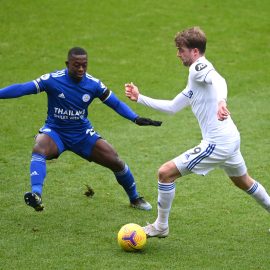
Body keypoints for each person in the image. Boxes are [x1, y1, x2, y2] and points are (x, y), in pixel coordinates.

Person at [125, 26, 270, 237]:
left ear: (194, 51)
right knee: (243, 181)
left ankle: (160, 226)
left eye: (181, 49)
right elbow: (173, 106)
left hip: (217, 143)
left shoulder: (199, 67)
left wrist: (222, 101)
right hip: (230, 138)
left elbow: (220, 80)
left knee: (165, 173)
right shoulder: (195, 79)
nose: (178, 54)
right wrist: (140, 98)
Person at [0, 47, 162, 212]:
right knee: (39, 147)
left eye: (84, 65)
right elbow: (22, 88)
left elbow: (116, 103)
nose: (81, 69)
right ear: (67, 64)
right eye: (76, 65)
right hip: (56, 132)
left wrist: (135, 118)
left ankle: (135, 198)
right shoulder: (52, 80)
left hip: (82, 134)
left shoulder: (93, 84)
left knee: (115, 160)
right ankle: (36, 195)